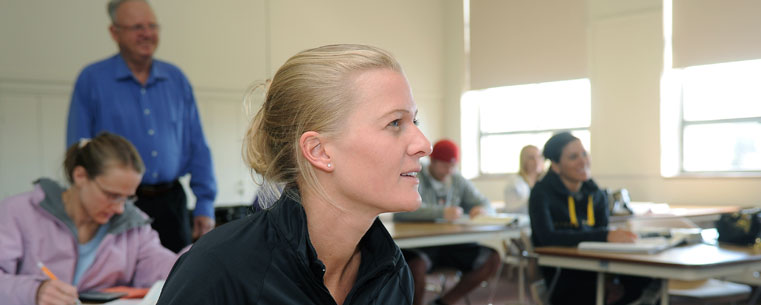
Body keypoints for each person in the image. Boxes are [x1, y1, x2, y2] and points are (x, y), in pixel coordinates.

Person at [155, 44, 429, 304]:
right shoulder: (219, 269)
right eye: (395, 122)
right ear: (319, 151)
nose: (424, 145)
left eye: (413, 120)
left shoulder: (392, 273)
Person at [66, 0, 217, 253]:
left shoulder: (176, 79)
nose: (147, 33)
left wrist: (205, 204)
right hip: (116, 205)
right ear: (115, 32)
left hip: (172, 204)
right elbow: (77, 152)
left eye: (152, 25)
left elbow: (197, 146)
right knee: (120, 283)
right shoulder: (92, 80)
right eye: (137, 27)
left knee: (175, 278)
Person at [0, 132, 181, 305]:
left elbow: (167, 270)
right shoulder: (17, 213)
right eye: (112, 195)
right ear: (80, 176)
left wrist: (198, 255)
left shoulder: (133, 223)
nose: (119, 208)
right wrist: (34, 292)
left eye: (127, 198)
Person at [529, 132, 653, 305]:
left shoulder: (596, 194)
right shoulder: (541, 193)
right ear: (556, 166)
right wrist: (604, 236)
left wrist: (609, 277)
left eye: (584, 154)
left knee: (648, 279)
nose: (583, 161)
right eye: (573, 157)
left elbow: (602, 235)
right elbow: (547, 237)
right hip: (564, 274)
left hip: (599, 268)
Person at [394, 139, 501, 305]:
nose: (448, 171)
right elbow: (401, 211)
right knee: (415, 266)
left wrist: (482, 209)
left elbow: (484, 202)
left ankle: (444, 302)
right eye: (444, 166)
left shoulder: (457, 180)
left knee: (492, 258)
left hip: (452, 244)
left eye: (452, 166)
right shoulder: (414, 177)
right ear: (433, 161)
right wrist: (442, 212)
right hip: (422, 245)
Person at [503, 145, 545, 213]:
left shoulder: (545, 180)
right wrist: (534, 199)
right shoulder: (514, 182)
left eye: (539, 157)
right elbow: (510, 209)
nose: (536, 161)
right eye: (531, 158)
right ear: (523, 160)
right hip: (523, 221)